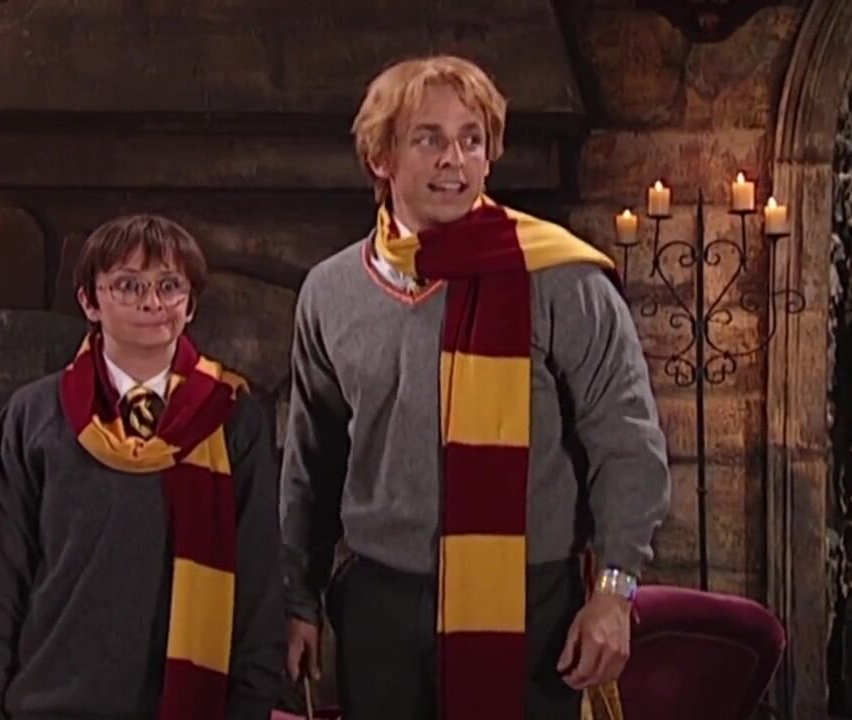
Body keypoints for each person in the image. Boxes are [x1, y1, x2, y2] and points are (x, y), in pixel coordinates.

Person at [280, 55, 671, 720]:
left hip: (530, 600)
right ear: (380, 157)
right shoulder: (330, 290)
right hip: (380, 606)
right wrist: (298, 598)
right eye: (427, 138)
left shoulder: (561, 278)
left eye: (471, 139)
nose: (453, 160)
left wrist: (614, 591)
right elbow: (310, 465)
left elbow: (627, 444)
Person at [0, 214, 285, 719]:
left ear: (191, 304)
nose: (152, 302)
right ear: (90, 301)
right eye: (128, 286)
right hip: (49, 705)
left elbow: (258, 587)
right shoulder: (33, 415)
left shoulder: (233, 417)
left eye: (169, 285)